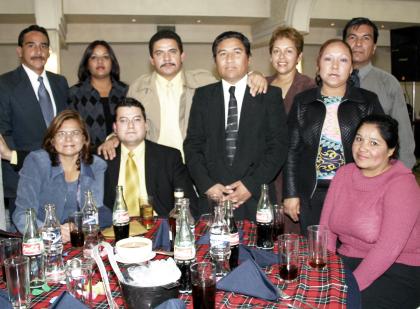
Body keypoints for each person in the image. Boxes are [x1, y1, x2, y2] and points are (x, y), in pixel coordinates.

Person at [99, 30, 268, 160]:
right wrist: (113, 137)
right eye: (159, 53)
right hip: (155, 163)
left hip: (198, 163)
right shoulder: (138, 87)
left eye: (172, 51)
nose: (166, 58)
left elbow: (232, 82)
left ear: (182, 56)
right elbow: (127, 121)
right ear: (151, 60)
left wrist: (254, 75)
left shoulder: (204, 81)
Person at [184, 31, 288, 220]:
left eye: (237, 52)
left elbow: (278, 146)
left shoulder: (269, 95)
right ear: (215, 61)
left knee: (259, 249)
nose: (229, 59)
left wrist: (250, 185)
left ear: (248, 58)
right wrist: (207, 185)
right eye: (222, 54)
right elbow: (192, 145)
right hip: (214, 198)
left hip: (256, 197)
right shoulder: (203, 96)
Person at [283, 39, 384, 233]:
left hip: (355, 192)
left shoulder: (367, 101)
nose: (335, 66)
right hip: (311, 193)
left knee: (349, 253)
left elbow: (382, 148)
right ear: (318, 64)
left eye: (343, 60)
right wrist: (291, 193)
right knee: (315, 253)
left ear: (352, 68)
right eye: (328, 59)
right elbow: (291, 151)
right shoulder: (303, 102)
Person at [320, 114, 420, 308]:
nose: (362, 147)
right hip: (348, 261)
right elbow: (326, 230)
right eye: (359, 139)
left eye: (374, 143)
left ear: (391, 150)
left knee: (342, 303)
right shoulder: (344, 174)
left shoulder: (401, 184)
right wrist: (325, 269)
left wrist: (348, 285)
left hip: (399, 269)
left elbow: (388, 249)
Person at [0, 25, 69, 225]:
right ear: (20, 51)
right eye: (31, 45)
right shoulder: (5, 85)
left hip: (61, 176)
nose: (38, 51)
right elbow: (5, 133)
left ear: (49, 51)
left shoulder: (60, 83)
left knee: (62, 237)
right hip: (23, 176)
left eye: (43, 46)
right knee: (30, 242)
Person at [12, 110, 110, 242]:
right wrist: (47, 230)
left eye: (75, 133)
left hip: (79, 239)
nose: (68, 139)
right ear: (52, 140)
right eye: (61, 134)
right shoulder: (36, 162)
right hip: (41, 241)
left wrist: (76, 227)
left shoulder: (96, 165)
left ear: (84, 138)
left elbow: (96, 210)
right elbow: (22, 214)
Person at [103, 97, 198, 218]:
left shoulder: (169, 157)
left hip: (158, 227)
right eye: (123, 120)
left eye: (137, 120)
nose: (131, 125)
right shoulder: (103, 158)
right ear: (115, 128)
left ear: (146, 125)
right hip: (116, 229)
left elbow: (189, 203)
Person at [343, 17, 416, 169]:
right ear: (344, 43)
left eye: (366, 38)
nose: (358, 44)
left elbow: (403, 133)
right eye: (352, 37)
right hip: (338, 171)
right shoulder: (330, 80)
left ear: (374, 47)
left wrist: (404, 173)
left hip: (378, 170)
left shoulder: (388, 83)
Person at [266, 26, 316, 234]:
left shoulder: (309, 87)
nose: (282, 57)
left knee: (292, 236)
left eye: (289, 51)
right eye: (277, 51)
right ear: (270, 56)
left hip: (295, 173)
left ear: (299, 56)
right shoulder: (263, 85)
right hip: (267, 173)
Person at [68, 40, 128, 149]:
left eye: (105, 57)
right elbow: (70, 129)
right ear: (87, 64)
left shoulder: (126, 91)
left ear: (112, 63)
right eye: (94, 57)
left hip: (123, 153)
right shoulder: (74, 94)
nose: (100, 61)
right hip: (88, 157)